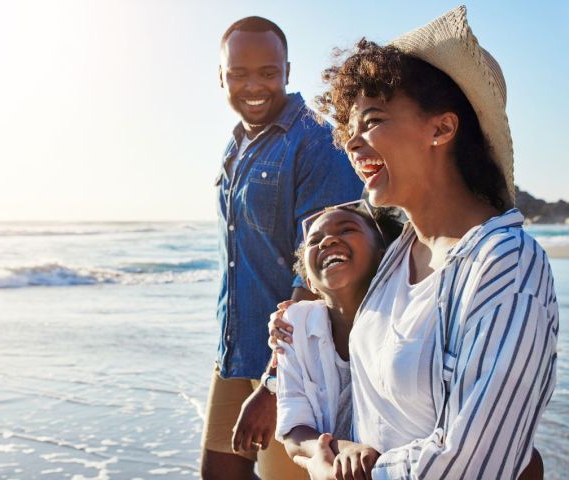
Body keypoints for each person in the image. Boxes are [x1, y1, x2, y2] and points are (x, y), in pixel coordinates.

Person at [268, 6, 556, 479]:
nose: (352, 144)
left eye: (373, 121)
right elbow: (363, 389)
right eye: (349, 130)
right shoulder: (395, 256)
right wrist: (298, 326)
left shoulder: (505, 264)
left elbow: (474, 463)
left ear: (441, 129)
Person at [201, 16, 363, 480]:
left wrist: (274, 384)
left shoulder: (315, 142)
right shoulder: (237, 146)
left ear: (287, 71)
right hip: (235, 353)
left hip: (293, 365)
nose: (253, 86)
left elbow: (322, 273)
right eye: (238, 74)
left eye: (267, 73)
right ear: (222, 77)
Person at [275, 202, 403, 480]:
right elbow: (293, 429)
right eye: (314, 240)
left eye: (347, 229)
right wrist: (334, 450)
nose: (329, 240)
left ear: (384, 255)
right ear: (309, 281)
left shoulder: (406, 321)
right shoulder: (292, 326)